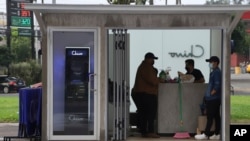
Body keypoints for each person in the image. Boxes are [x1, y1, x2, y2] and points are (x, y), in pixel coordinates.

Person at [131, 52, 164, 138]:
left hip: (139, 93)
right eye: (152, 59)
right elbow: (152, 80)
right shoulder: (146, 67)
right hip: (146, 94)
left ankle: (144, 131)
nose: (153, 61)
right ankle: (150, 131)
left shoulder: (143, 66)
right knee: (150, 113)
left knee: (143, 113)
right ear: (148, 59)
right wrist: (160, 79)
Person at [195, 56, 222, 140]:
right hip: (214, 98)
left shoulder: (216, 72)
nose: (209, 64)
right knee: (216, 116)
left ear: (216, 63)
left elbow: (217, 85)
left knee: (210, 116)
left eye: (211, 62)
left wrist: (211, 93)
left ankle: (206, 134)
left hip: (213, 98)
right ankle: (217, 133)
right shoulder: (215, 72)